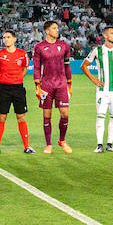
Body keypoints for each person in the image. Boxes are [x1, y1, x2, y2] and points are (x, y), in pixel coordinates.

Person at [82, 23, 113, 154]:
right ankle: (99, 145)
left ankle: (109, 144)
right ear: (104, 35)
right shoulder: (98, 50)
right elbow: (84, 65)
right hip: (102, 91)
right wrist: (94, 80)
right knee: (100, 117)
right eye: (112, 33)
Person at [33, 20, 73, 154]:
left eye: (57, 28)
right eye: (54, 28)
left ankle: (62, 140)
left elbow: (67, 65)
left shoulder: (64, 46)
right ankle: (48, 144)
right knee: (47, 114)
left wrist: (69, 83)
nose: (57, 30)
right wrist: (37, 84)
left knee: (65, 113)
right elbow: (37, 67)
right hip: (46, 85)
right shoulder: (39, 47)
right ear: (47, 31)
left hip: (61, 84)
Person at [0, 30, 30, 154]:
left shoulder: (22, 54)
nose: (6, 39)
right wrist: (2, 79)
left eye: (8, 37)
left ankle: (26, 146)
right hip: (4, 88)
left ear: (14, 39)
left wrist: (18, 78)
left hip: (18, 88)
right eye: (4, 37)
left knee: (21, 117)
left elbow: (24, 68)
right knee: (2, 117)